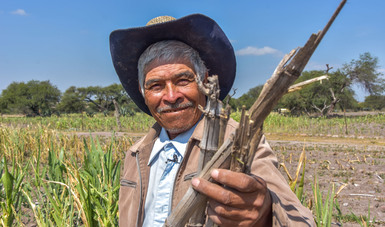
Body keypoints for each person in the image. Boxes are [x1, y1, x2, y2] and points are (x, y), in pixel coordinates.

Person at [110, 14, 315, 227]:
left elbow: (299, 220)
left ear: (205, 81)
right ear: (143, 92)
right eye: (156, 86)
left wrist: (264, 214)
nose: (171, 97)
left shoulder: (237, 143)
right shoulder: (137, 153)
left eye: (182, 80)